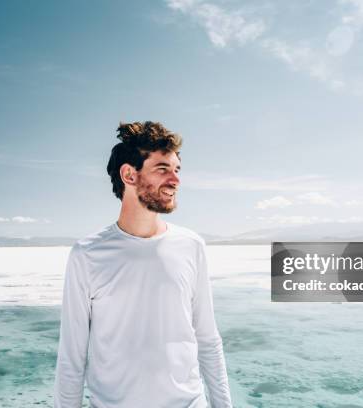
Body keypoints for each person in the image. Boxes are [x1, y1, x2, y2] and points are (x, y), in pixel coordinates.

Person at [54, 121, 232, 408]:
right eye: (162, 169)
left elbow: (208, 339)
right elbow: (72, 357)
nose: (175, 180)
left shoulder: (191, 246)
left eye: (177, 170)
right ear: (129, 174)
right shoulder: (87, 254)